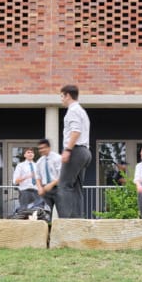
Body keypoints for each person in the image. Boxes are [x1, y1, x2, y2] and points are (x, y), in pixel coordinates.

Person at [57, 84, 91, 219]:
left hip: (75, 150)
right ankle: (77, 218)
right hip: (85, 152)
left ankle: (66, 221)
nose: (61, 100)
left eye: (62, 96)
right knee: (76, 187)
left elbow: (76, 131)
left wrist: (67, 150)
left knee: (63, 185)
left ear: (68, 95)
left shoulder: (73, 111)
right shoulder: (82, 111)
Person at [35, 138, 60, 212]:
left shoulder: (58, 158)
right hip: (45, 191)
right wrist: (39, 188)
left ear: (48, 147)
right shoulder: (39, 162)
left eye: (43, 148)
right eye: (39, 148)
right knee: (45, 214)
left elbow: (62, 175)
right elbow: (38, 177)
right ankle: (48, 224)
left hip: (59, 189)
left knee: (63, 214)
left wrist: (51, 185)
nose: (41, 150)